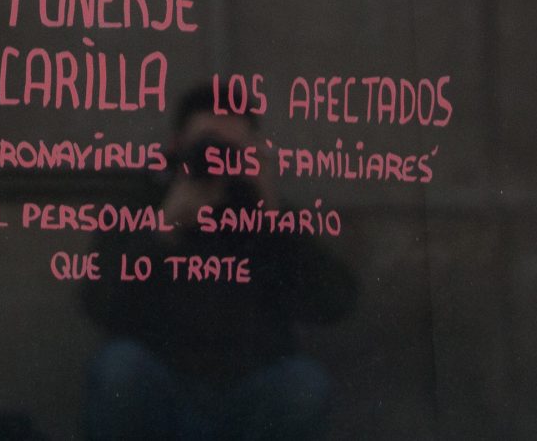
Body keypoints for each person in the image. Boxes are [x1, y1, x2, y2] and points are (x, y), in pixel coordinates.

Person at [80, 84, 355, 441]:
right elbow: (100, 303)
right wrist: (163, 230)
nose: (220, 157)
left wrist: (271, 218)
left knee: (305, 384)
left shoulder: (267, 217)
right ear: (177, 146)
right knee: (119, 368)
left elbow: (335, 302)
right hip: (163, 389)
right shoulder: (139, 209)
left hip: (250, 393)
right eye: (209, 144)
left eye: (233, 149)